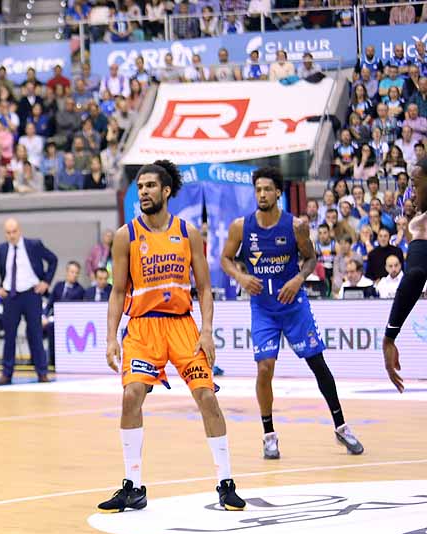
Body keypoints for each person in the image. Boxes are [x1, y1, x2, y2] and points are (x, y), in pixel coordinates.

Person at [100, 160, 247, 513]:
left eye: (151, 186)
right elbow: (118, 291)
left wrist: (207, 331)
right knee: (131, 396)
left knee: (206, 397)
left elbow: (206, 288)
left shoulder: (188, 232)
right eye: (141, 186)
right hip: (143, 327)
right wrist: (110, 337)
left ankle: (225, 482)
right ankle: (133, 485)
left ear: (166, 191)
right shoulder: (126, 235)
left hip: (182, 325)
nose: (144, 192)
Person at [219, 166, 363, 460]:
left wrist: (298, 278)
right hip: (263, 308)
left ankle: (341, 426)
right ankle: (269, 434)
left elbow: (310, 259)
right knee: (264, 368)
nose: (261, 194)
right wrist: (242, 278)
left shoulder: (296, 226)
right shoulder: (240, 227)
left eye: (267, 189)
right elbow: (225, 259)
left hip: (294, 306)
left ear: (278, 193)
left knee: (317, 364)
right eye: (258, 189)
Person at [0, 218, 57, 385]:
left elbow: (53, 260)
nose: (11, 235)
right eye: (8, 233)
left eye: (14, 232)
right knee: (9, 335)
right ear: (5, 233)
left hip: (32, 294)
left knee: (35, 334)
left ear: (20, 230)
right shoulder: (0, 249)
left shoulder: (34, 245)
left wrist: (46, 282)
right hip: (11, 296)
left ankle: (42, 372)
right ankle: (7, 373)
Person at [384, 159, 427, 392]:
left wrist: (390, 336)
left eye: (415, 183)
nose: (411, 192)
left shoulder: (419, 225)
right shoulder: (416, 224)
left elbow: (415, 275)